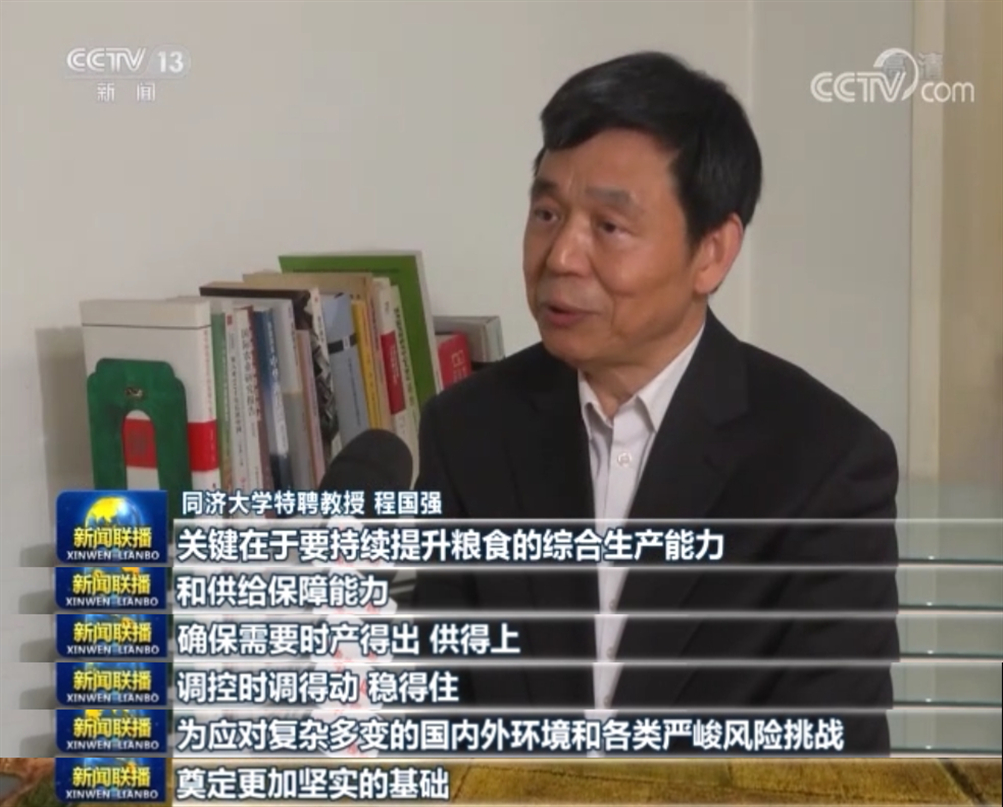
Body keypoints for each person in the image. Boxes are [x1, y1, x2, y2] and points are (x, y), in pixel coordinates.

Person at [412, 51, 900, 754]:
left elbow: (832, 761)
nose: (561, 256)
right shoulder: (468, 430)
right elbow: (441, 712)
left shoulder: (825, 462)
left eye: (608, 226)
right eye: (546, 213)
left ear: (712, 252)